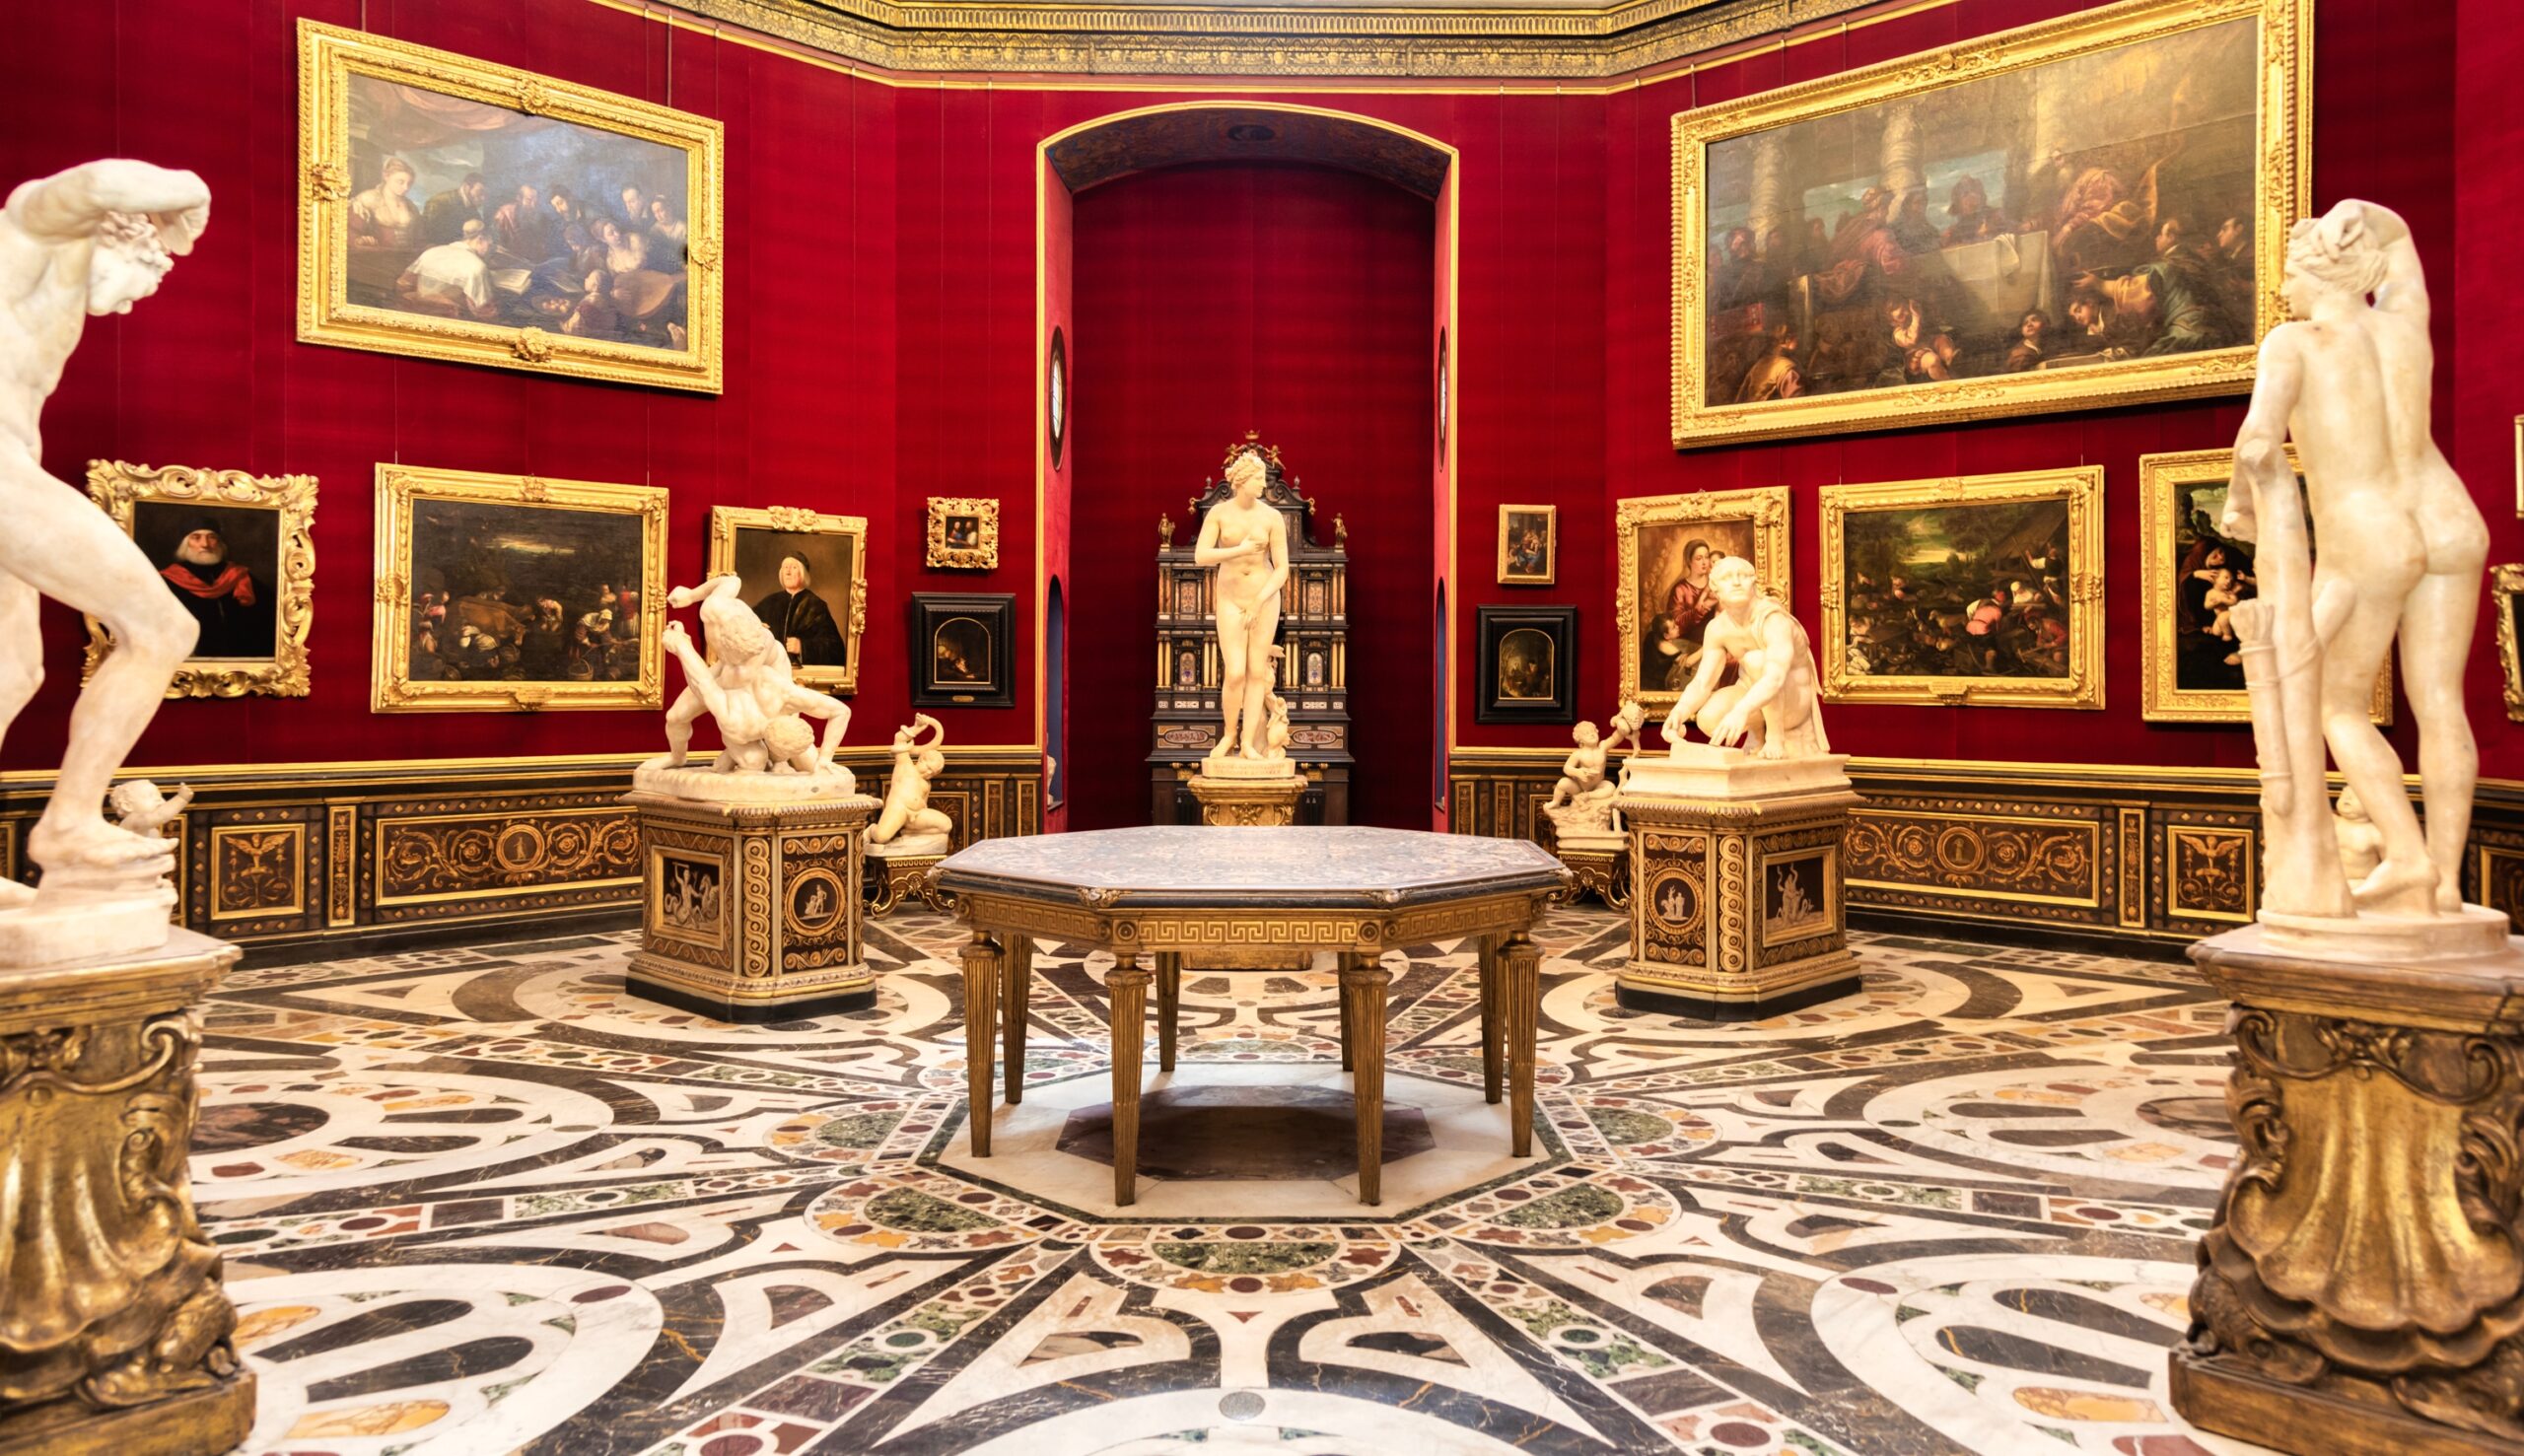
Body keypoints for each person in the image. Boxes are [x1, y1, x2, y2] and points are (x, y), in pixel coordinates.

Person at [2224, 198, 2488, 916]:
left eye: (2287, 275)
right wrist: (2356, 210)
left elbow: (2257, 438)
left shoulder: (2293, 342)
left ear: (2315, 277)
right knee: (2441, 704)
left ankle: (2407, 857)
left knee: (2335, 705)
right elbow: (2399, 241)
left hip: (2369, 529)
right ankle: (2446, 884)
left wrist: (2242, 501)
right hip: (2450, 515)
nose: (2283, 289)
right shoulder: (2403, 323)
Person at [0, 160, 211, 881]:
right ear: (119, 242)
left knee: (13, 670)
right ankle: (69, 821)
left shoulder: (45, 292)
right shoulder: (33, 235)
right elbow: (92, 186)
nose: (125, 308)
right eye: (138, 284)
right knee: (166, 628)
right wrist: (192, 192)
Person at [1661, 556, 1828, 761]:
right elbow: (1702, 682)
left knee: (1756, 660)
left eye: (1743, 576)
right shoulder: (1718, 628)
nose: (1736, 582)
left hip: (1792, 705)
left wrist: (1741, 711)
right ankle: (1758, 734)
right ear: (1715, 589)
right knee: (1708, 718)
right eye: (1727, 577)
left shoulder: (1773, 620)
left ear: (1754, 583)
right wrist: (1680, 712)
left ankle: (1775, 737)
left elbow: (1775, 677)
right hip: (1754, 699)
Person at [1193, 450, 1289, 760]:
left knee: (1256, 671)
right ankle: (1229, 735)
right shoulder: (1219, 514)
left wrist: (1260, 601)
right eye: (1259, 478)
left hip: (1264, 598)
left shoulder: (1272, 517)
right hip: (1231, 598)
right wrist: (1241, 550)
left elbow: (1282, 569)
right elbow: (1201, 556)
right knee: (1235, 672)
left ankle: (1247, 743)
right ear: (1243, 480)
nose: (1263, 483)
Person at [158, 518, 273, 659]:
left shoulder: (239, 575)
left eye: (211, 537)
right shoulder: (168, 579)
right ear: (186, 543)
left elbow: (271, 615)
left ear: (219, 543)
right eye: (196, 538)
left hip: (239, 659)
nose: (205, 544)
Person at [751, 554, 845, 669]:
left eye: (793, 567)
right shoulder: (769, 602)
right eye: (785, 567)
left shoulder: (816, 606)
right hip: (771, 672)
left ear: (803, 573)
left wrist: (802, 647)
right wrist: (756, 627)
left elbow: (836, 649)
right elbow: (744, 623)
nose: (788, 572)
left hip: (802, 673)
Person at [397, 219, 498, 319]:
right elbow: (482, 310)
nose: (489, 251)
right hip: (451, 319)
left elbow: (403, 283)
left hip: (417, 313)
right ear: (480, 239)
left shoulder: (431, 252)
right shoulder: (476, 266)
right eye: (490, 245)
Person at [348, 156, 419, 250]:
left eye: (409, 183)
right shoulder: (367, 200)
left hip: (409, 255)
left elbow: (419, 239)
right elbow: (349, 232)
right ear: (386, 177)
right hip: (378, 254)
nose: (406, 188)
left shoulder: (411, 206)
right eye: (400, 182)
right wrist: (360, 240)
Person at [423, 173, 489, 246]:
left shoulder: (473, 210)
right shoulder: (439, 202)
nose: (483, 198)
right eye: (480, 191)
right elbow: (429, 236)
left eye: (485, 194)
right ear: (467, 187)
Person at [493, 182, 551, 262]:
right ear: (519, 199)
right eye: (529, 200)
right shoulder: (504, 214)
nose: (533, 205)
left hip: (533, 262)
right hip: (509, 261)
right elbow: (497, 245)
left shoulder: (541, 217)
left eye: (536, 201)